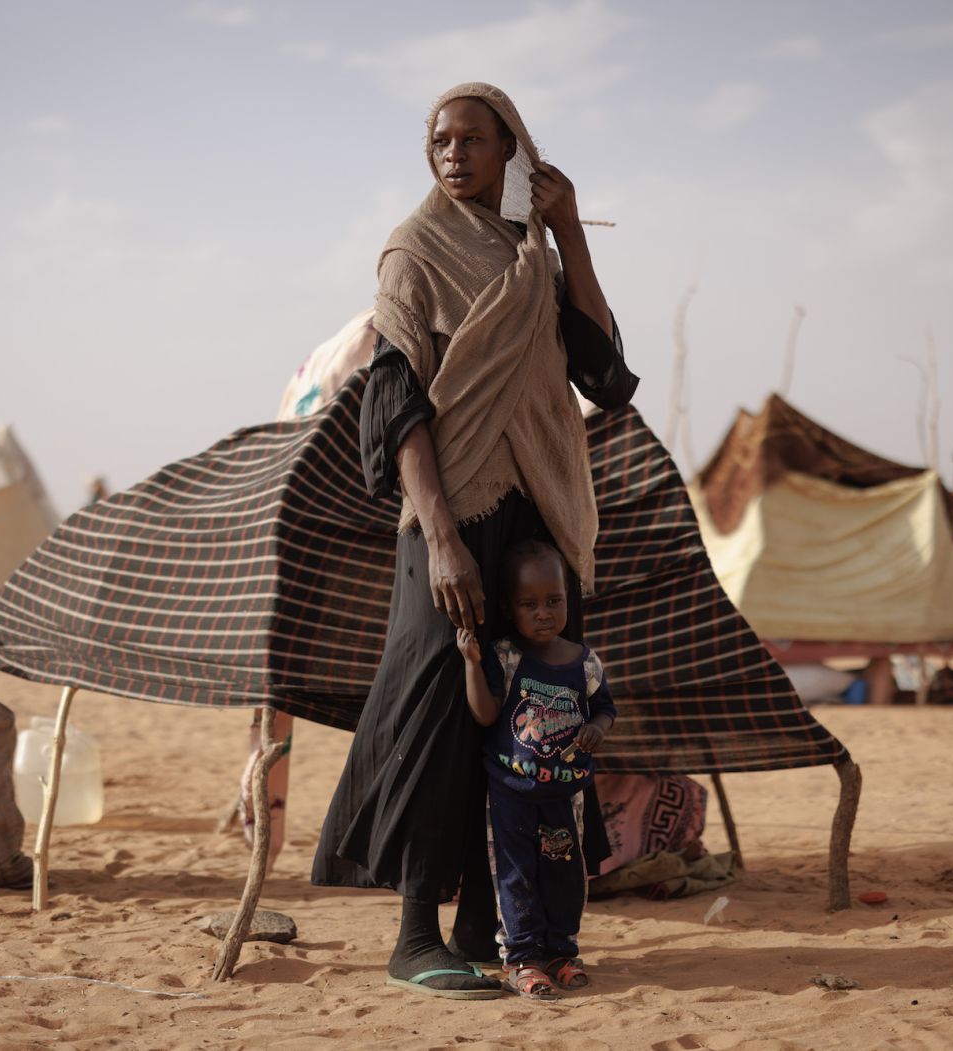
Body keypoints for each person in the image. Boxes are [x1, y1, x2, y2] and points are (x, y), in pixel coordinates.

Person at [310, 81, 638, 999]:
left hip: (537, 513)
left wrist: (568, 228)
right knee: (432, 710)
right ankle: (415, 935)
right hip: (449, 514)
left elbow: (604, 373)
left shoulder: (536, 251)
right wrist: (443, 537)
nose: (452, 155)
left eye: (473, 140)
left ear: (513, 152)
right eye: (439, 141)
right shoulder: (412, 251)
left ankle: (484, 927)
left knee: (520, 716)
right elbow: (399, 401)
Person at [456, 539, 615, 999]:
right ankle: (524, 959)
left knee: (566, 874)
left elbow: (605, 709)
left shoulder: (585, 663)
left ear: (568, 598)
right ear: (510, 607)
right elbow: (486, 715)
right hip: (511, 794)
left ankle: (563, 952)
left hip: (566, 795)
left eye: (553, 601)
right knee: (515, 875)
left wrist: (597, 729)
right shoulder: (507, 658)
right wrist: (471, 664)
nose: (543, 613)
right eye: (530, 604)